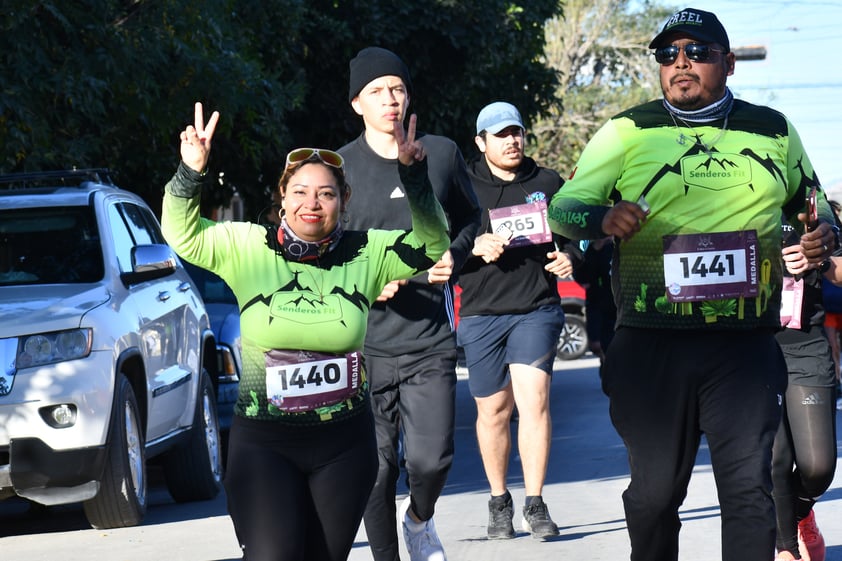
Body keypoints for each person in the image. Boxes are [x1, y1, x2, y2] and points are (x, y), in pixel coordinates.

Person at [546, 8, 838, 561]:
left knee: (749, 490)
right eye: (668, 54)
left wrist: (823, 232)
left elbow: (815, 205)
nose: (681, 64)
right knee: (655, 497)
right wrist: (601, 220)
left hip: (745, 343)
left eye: (698, 53)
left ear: (729, 63)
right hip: (650, 342)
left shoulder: (773, 129)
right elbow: (563, 207)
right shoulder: (627, 130)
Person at [160, 102, 450, 561]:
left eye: (326, 194)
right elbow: (182, 234)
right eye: (299, 191)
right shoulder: (247, 246)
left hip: (344, 447)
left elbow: (433, 243)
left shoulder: (366, 252)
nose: (311, 204)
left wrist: (413, 178)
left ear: (343, 200)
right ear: (281, 197)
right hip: (264, 445)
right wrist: (190, 172)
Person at [338, 47, 482, 561]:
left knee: (432, 460)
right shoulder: (340, 167)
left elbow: (472, 219)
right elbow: (321, 252)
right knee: (375, 470)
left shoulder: (439, 153)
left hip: (429, 340)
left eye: (397, 88)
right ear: (358, 103)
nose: (389, 99)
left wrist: (455, 256)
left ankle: (419, 520)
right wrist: (364, 282)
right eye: (376, 91)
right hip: (364, 342)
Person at [455, 101, 581, 540]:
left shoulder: (547, 182)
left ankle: (535, 503)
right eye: (501, 134)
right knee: (493, 411)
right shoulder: (463, 186)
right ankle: (498, 502)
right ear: (481, 142)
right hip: (481, 313)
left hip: (536, 308)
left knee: (535, 400)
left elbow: (575, 237)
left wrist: (570, 257)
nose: (512, 141)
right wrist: (473, 248)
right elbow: (441, 247)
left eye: (517, 132)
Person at [773, 226, 837, 561]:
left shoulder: (809, 208)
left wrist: (820, 260)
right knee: (776, 459)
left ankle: (801, 514)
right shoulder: (727, 200)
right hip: (749, 345)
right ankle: (786, 549)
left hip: (805, 346)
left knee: (818, 466)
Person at [572, 236, 617, 366]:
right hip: (594, 301)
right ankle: (606, 363)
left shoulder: (612, 248)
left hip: (613, 301)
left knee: (611, 342)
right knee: (596, 343)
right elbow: (580, 272)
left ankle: (610, 368)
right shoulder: (589, 251)